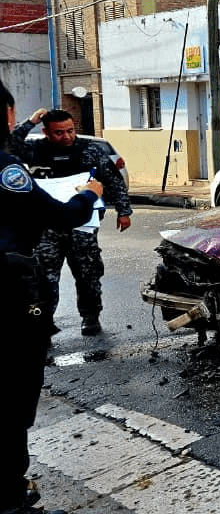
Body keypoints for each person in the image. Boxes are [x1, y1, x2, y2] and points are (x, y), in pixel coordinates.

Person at [0, 80, 103, 514]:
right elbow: (60, 215)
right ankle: (10, 500)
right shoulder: (9, 166)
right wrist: (89, 195)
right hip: (9, 292)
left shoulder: (87, 149)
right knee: (14, 393)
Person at [10, 108, 131, 336]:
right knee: (45, 278)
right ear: (46, 132)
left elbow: (112, 180)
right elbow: (9, 146)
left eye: (70, 130)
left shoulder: (90, 150)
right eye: (59, 133)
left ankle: (90, 317)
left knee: (88, 273)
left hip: (82, 226)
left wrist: (124, 212)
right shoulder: (35, 150)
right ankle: (43, 322)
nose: (66, 137)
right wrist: (30, 122)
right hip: (47, 227)